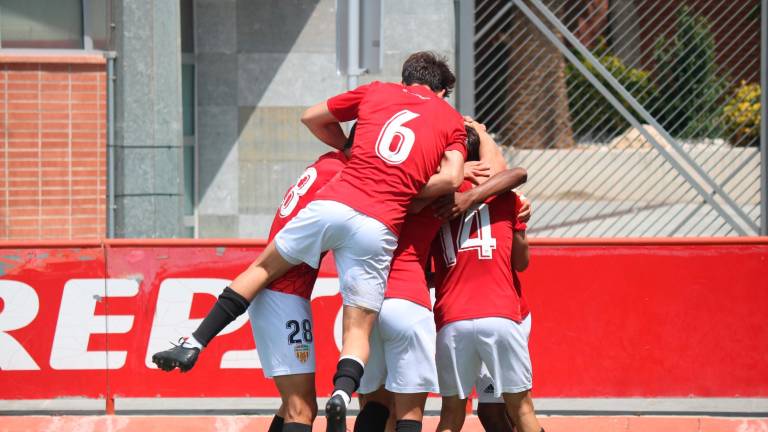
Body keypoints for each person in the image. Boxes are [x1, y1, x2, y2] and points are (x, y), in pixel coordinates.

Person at [151, 51, 467, 432]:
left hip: (327, 215)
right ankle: (343, 391)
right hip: (362, 240)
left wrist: (351, 151)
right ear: (443, 89)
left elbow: (311, 116)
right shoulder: (449, 119)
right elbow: (452, 180)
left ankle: (195, 340)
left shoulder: (365, 112)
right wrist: (407, 181)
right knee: (336, 359)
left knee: (262, 278)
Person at [355, 121, 528, 432]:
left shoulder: (417, 198)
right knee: (516, 411)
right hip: (485, 310)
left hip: (389, 303)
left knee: (387, 403)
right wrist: (474, 155)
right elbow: (514, 173)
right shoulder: (496, 197)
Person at [431, 153, 544, 432]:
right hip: (501, 313)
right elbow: (521, 262)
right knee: (521, 408)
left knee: (451, 415)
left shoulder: (432, 203)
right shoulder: (507, 198)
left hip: (453, 317)